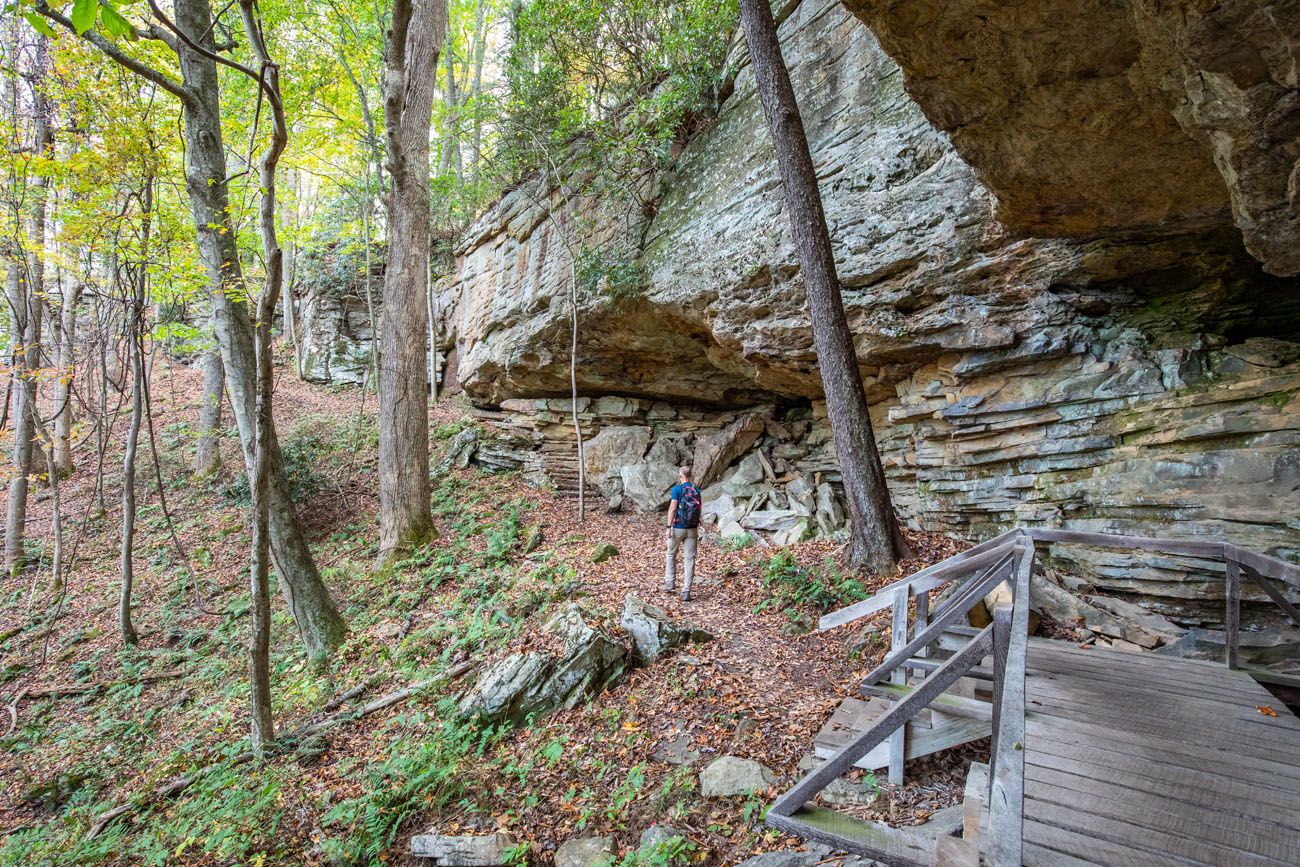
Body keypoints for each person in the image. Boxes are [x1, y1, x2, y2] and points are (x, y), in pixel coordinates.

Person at [664, 466, 701, 601]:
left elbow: (673, 507)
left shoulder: (677, 489)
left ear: (681, 476)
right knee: (689, 559)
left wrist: (668, 527)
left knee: (670, 553)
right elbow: (699, 508)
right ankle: (686, 591)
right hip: (692, 529)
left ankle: (670, 583)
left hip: (678, 527)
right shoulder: (696, 490)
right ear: (690, 475)